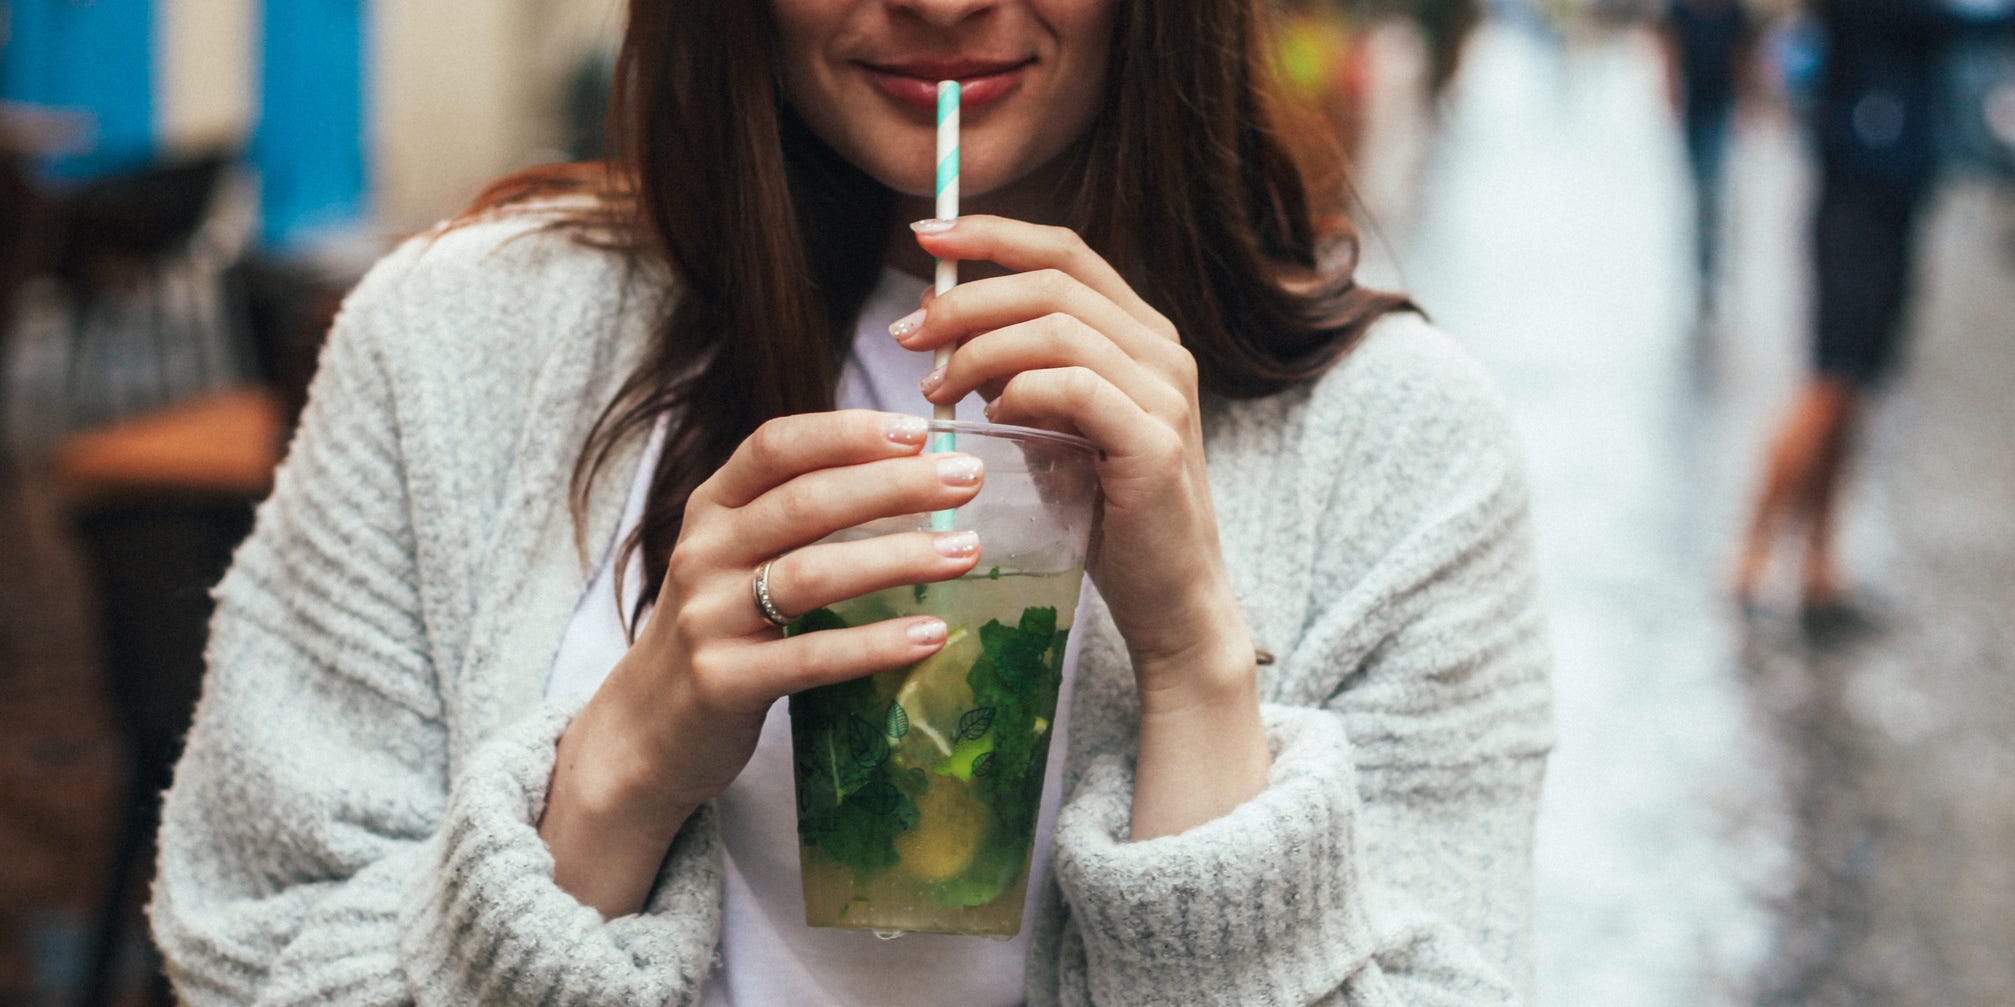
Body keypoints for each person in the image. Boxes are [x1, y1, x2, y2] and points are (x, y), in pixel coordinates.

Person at [149, 1, 1553, 1003]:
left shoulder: (1398, 440)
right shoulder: (454, 344)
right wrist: (616, 772)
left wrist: (1192, 655)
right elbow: (248, 946)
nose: (940, 4)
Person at [1734, 0, 2011, 619]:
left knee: (1854, 391)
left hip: (1889, 197)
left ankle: (1817, 564)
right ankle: (1749, 558)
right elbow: (1963, 22)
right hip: (1857, 203)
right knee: (1831, 382)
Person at [1658, 0, 1756, 316]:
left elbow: (1742, 58)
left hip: (1718, 106)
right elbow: (1671, 53)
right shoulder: (1681, 11)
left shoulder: (1734, 13)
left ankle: (1709, 268)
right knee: (1699, 185)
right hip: (1694, 105)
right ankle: (1702, 265)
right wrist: (1672, 94)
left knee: (1709, 186)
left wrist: (1744, 103)